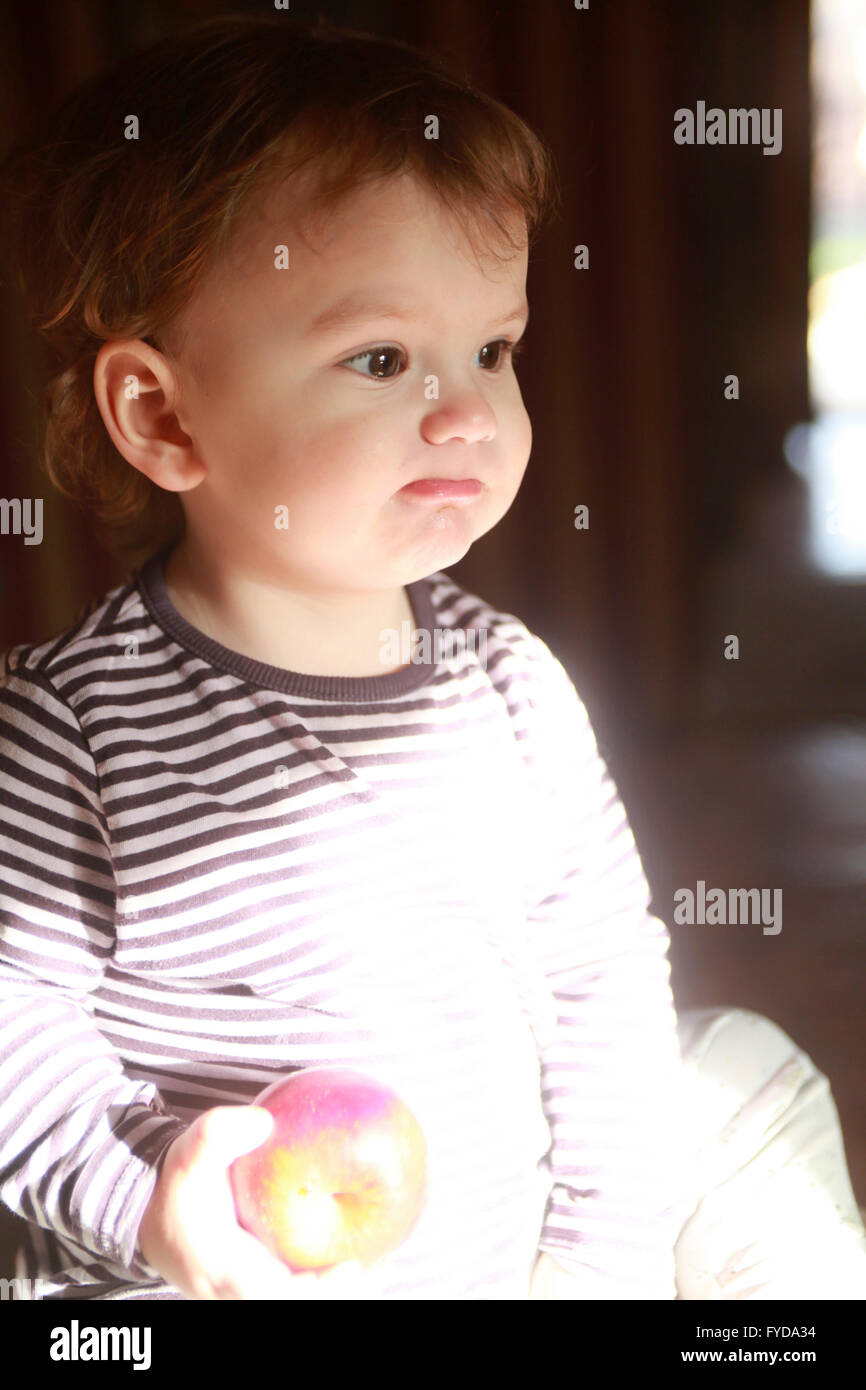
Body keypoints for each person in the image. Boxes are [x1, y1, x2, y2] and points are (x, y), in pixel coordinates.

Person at [1, 14, 864, 1302]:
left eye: (493, 348)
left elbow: (601, 983)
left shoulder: (509, 683)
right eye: (383, 358)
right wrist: (151, 1213)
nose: (468, 409)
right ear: (164, 414)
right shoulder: (67, 725)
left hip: (512, 1255)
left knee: (738, 1063)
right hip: (233, 1278)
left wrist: (595, 1262)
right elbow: (16, 1034)